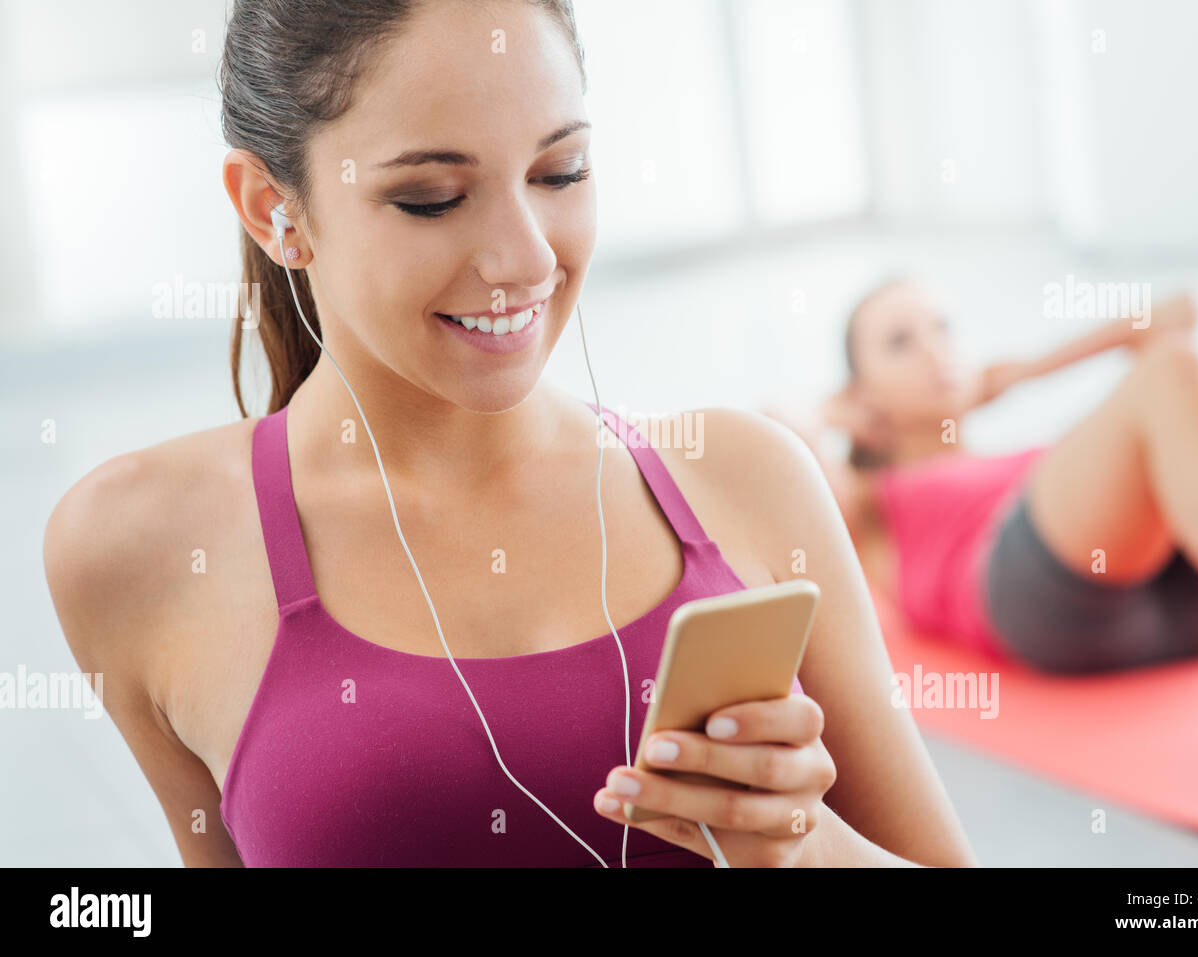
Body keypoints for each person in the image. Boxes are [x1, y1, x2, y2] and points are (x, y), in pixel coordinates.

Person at [41, 1, 977, 868]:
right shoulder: (136, 546)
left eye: (558, 172)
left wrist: (812, 851)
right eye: (433, 198)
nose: (526, 257)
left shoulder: (750, 481)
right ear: (271, 208)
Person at [782, 277, 1198, 675]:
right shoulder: (865, 502)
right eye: (900, 343)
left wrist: (1021, 373)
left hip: (1196, 591)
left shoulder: (1014, 460)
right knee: (1170, 373)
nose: (936, 352)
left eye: (941, 329)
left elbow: (1166, 321)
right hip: (1043, 603)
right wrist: (833, 411)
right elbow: (781, 428)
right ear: (858, 391)